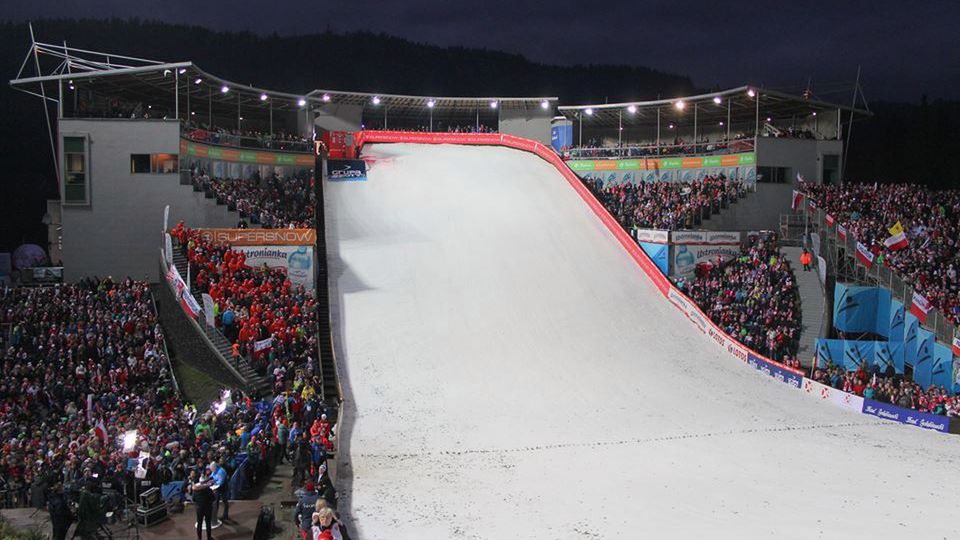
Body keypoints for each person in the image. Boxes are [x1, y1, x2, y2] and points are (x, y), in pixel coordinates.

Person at [189, 470, 215, 540]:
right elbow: (213, 498)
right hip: (208, 508)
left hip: (199, 509)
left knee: (199, 524)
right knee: (208, 524)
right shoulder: (208, 490)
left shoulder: (196, 491)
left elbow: (193, 499)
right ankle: (209, 538)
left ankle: (199, 538)